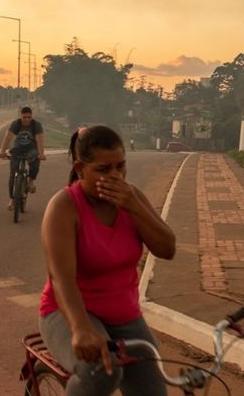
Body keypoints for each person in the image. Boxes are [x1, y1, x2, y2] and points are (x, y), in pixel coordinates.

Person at [38, 125, 175, 396]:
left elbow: (167, 249)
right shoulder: (64, 207)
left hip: (124, 314)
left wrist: (134, 207)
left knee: (152, 389)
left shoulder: (132, 197)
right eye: (103, 169)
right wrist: (80, 328)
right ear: (80, 169)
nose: (115, 176)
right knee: (101, 370)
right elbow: (61, 278)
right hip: (69, 312)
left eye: (120, 167)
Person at [0, 106, 46, 210]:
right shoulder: (16, 124)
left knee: (35, 160)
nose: (27, 120)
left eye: (29, 117)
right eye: (24, 117)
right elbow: (8, 137)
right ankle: (12, 199)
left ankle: (31, 180)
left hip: (31, 149)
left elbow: (39, 140)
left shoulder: (36, 125)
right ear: (21, 116)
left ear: (31, 116)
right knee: (12, 174)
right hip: (18, 148)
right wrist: (2, 151)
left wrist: (41, 154)